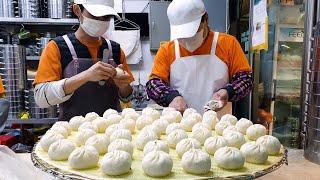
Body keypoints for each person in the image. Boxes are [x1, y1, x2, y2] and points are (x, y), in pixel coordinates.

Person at [146, 0, 253, 116]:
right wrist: (171, 97)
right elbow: (153, 84)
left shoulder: (227, 44)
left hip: (219, 127)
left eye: (192, 33)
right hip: (179, 127)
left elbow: (245, 79)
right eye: (182, 37)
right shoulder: (167, 50)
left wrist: (228, 91)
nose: (187, 41)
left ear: (205, 19)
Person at [34, 0, 134, 121]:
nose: (101, 21)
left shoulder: (115, 50)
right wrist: (85, 76)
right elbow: (41, 98)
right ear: (77, 10)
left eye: (106, 17)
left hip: (112, 129)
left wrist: (124, 86)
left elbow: (126, 98)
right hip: (73, 132)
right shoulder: (57, 48)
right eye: (95, 15)